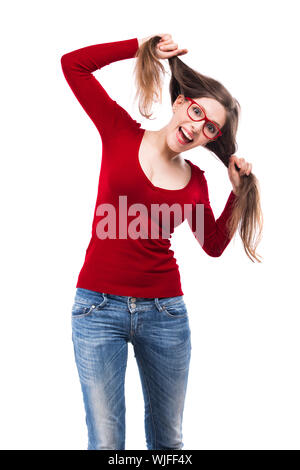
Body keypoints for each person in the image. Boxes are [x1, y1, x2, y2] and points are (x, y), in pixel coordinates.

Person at [61, 33, 263, 450]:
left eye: (210, 127)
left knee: (168, 443)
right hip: (96, 309)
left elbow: (212, 244)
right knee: (106, 442)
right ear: (179, 102)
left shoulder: (196, 182)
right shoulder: (119, 131)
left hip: (165, 315)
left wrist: (236, 194)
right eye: (195, 112)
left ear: (212, 138)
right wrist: (139, 46)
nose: (196, 127)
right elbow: (73, 65)